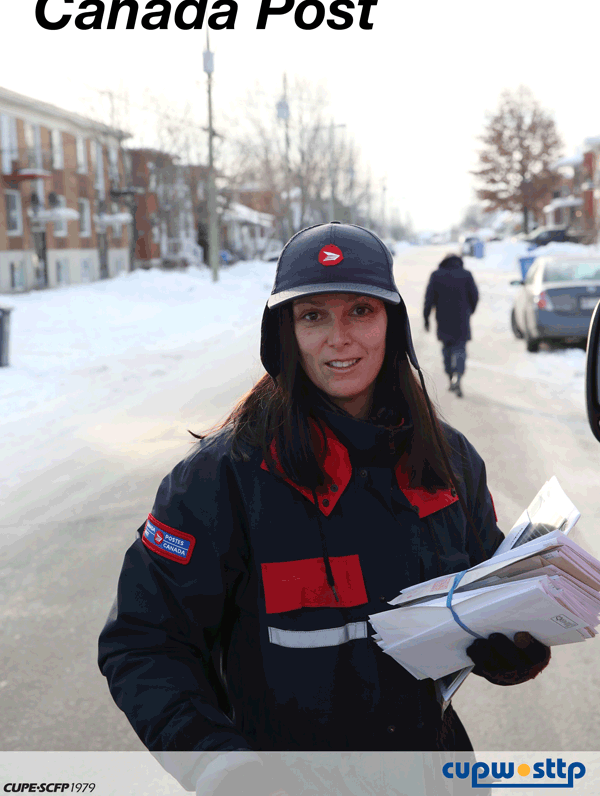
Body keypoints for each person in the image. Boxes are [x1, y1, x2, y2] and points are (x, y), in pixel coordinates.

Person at [98, 223, 550, 796]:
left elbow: (491, 598)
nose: (340, 338)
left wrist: (515, 646)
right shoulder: (222, 478)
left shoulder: (448, 460)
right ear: (285, 332)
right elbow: (143, 642)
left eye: (361, 310)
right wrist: (217, 765)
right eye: (313, 316)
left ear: (392, 322)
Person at [423, 253, 479, 398]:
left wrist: (426, 318)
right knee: (460, 349)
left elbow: (429, 298)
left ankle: (450, 376)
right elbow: (474, 296)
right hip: (462, 319)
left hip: (443, 319)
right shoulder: (466, 275)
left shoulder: (436, 275)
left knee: (447, 350)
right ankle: (457, 376)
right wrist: (469, 311)